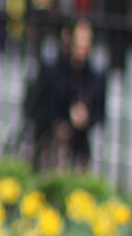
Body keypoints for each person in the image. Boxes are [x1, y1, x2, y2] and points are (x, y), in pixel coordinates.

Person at [25, 19, 106, 171]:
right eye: (80, 40)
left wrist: (85, 118)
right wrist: (57, 124)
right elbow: (33, 106)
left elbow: (100, 113)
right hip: (50, 147)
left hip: (78, 150)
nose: (83, 46)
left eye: (87, 41)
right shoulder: (52, 71)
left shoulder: (94, 77)